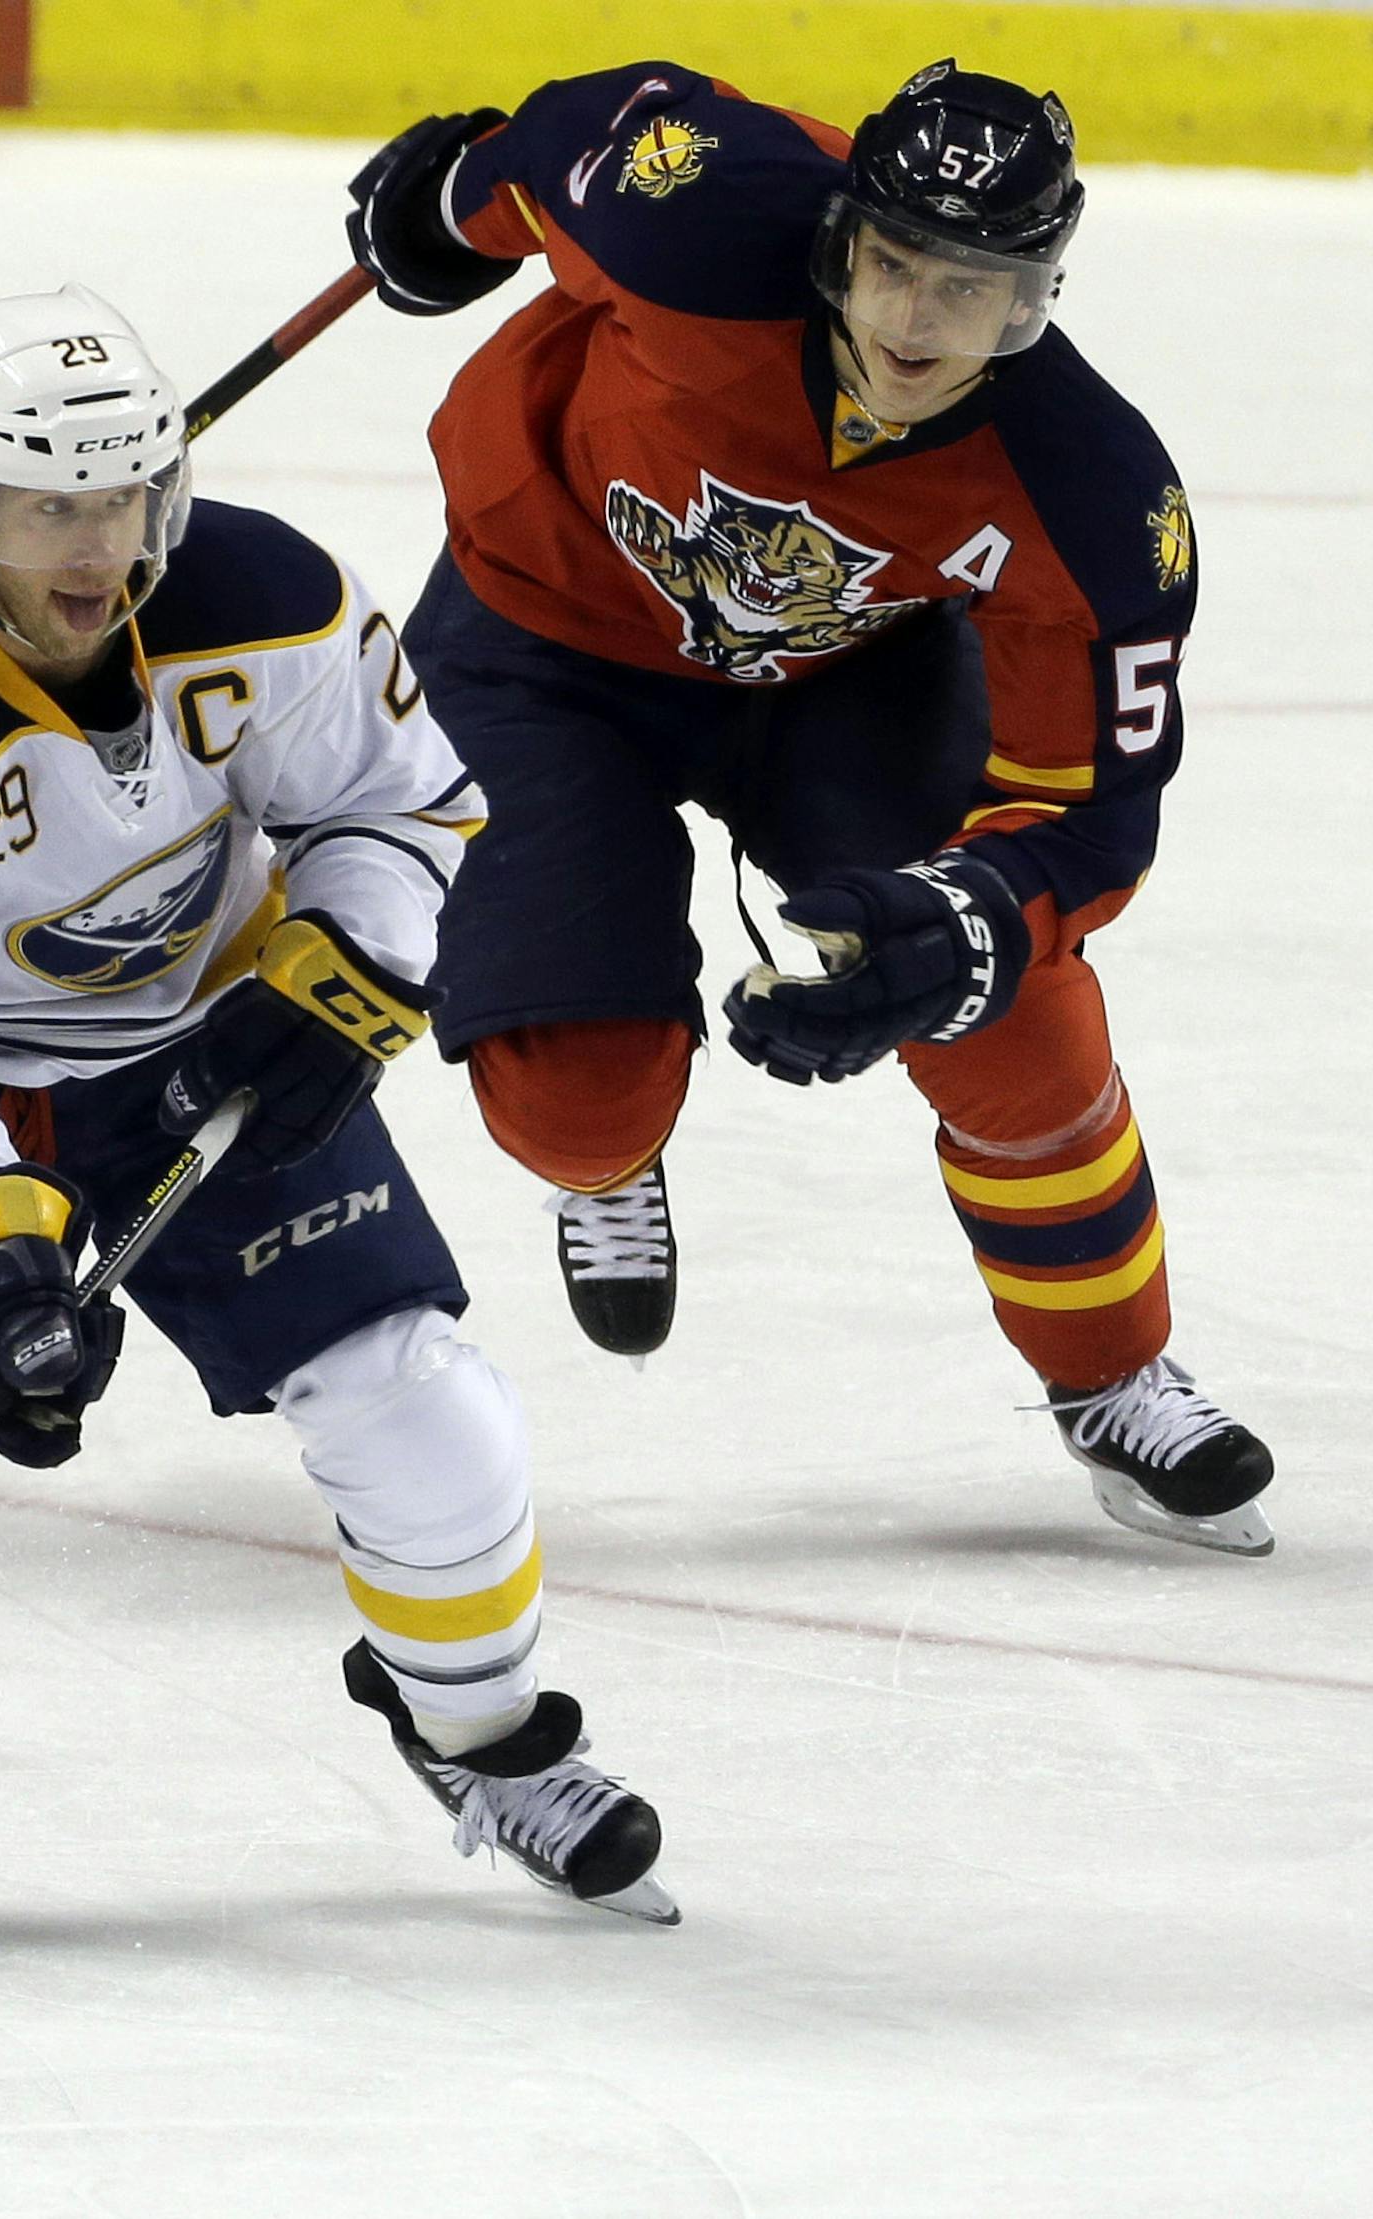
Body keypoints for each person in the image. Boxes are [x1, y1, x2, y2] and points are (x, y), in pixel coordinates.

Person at [0, 282, 678, 1938]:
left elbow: (401, 803)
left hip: (199, 1045)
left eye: (129, 497)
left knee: (428, 1415)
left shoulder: (269, 601)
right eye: (48, 508)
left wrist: (344, 967)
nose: (99, 551)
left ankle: (482, 1735)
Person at [343, 58, 1275, 1557]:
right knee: (577, 1101)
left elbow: (1094, 821)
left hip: (848, 680)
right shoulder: (700, 217)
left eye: (971, 291)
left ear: (1035, 303)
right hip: (542, 636)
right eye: (896, 266)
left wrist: (966, 926)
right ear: (840, 237)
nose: (916, 324)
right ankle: (610, 1162)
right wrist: (454, 206)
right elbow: (560, 141)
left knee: (1006, 1010)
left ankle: (1111, 1376)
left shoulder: (1097, 497)